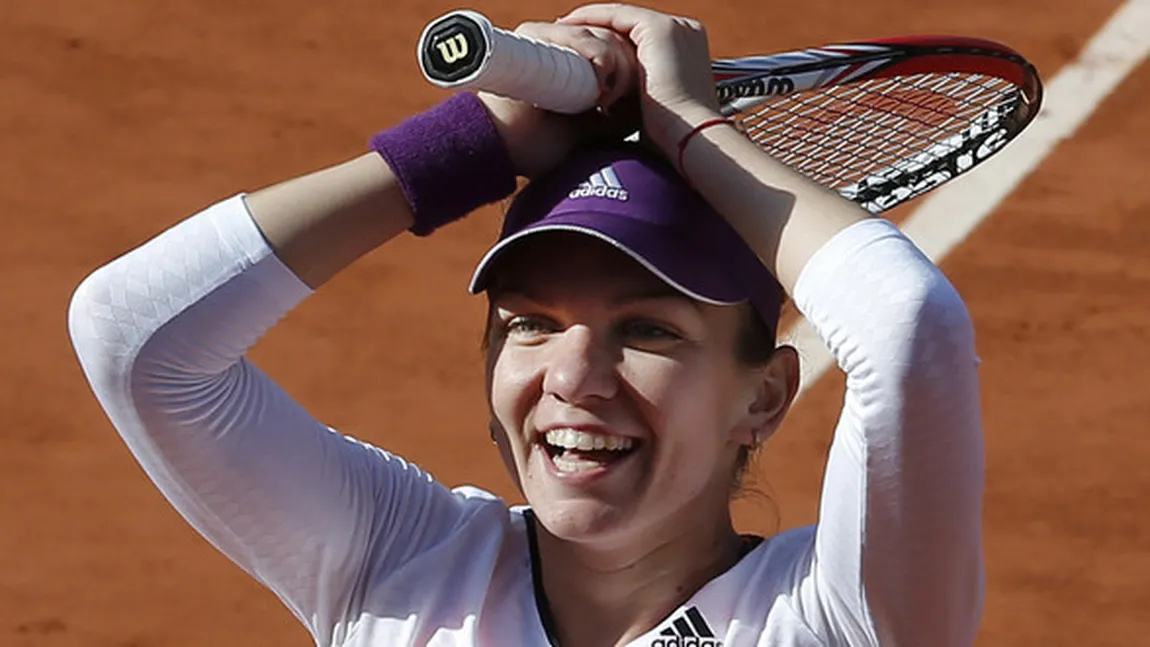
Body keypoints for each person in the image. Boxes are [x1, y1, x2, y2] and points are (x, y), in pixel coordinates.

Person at [68, 4, 985, 646]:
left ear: (766, 393)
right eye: (532, 323)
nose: (576, 376)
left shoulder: (838, 616)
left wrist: (690, 127)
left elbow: (907, 326)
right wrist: (475, 143)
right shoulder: (402, 566)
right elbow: (133, 336)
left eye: (651, 330)